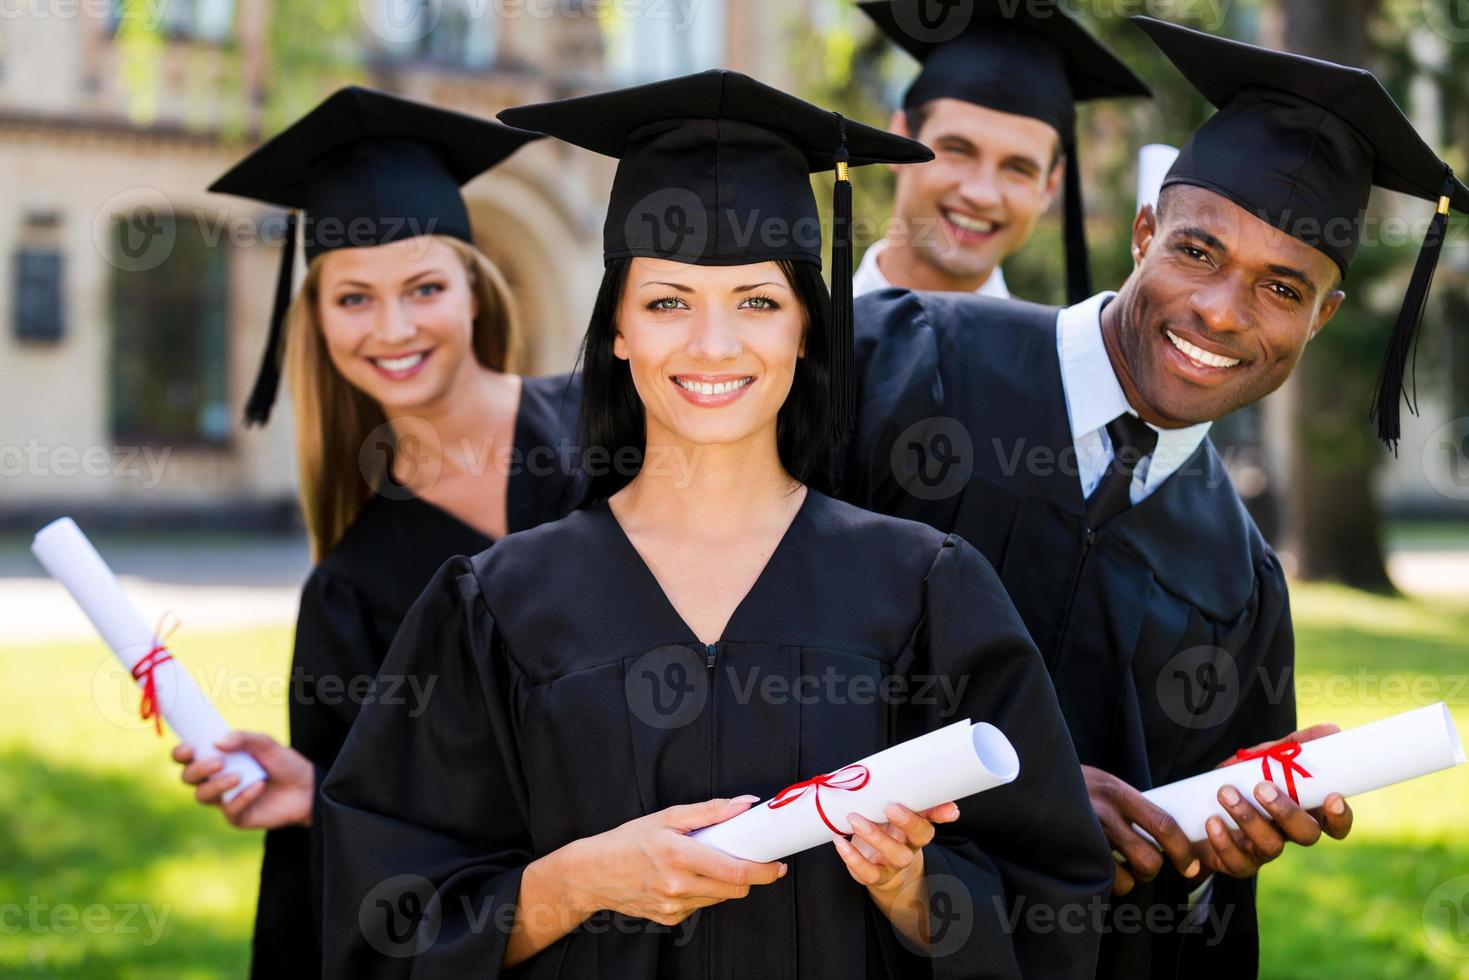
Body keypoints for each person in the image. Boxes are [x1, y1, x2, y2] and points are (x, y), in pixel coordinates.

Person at [320, 69, 1115, 978]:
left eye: (757, 302)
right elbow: (379, 916)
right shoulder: (496, 606)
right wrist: (572, 883)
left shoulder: (926, 590)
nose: (712, 345)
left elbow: (1056, 906)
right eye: (666, 302)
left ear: (807, 330)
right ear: (616, 327)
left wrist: (912, 891)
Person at [844, 17, 1467, 977]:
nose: (1222, 313)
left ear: (1322, 317)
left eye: (1282, 288)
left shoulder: (1239, 584)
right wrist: (1030, 794)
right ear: (1143, 233)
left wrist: (1214, 859)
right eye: (1199, 253)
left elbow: (1198, 924)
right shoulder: (906, 362)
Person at [167, 86, 582, 979]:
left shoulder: (610, 439)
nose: (392, 329)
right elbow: (374, 841)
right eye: (354, 297)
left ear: (473, 286)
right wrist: (317, 797)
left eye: (424, 287)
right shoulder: (350, 590)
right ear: (316, 317)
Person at [853, 0, 1150, 302]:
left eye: (1018, 168)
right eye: (958, 150)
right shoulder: (808, 338)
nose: (981, 194)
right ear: (899, 139)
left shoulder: (1049, 350)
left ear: (1049, 185)